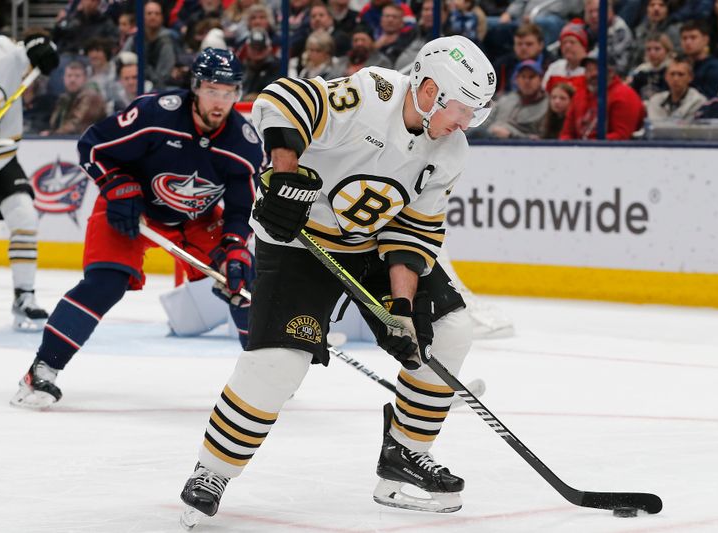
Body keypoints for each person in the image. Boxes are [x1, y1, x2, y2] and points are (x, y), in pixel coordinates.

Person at [178, 35, 496, 528]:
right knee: (279, 363)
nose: (466, 123)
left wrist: (403, 311)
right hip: (298, 242)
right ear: (430, 90)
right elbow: (280, 100)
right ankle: (212, 471)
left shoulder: (451, 151)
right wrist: (285, 176)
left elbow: (413, 234)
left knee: (450, 329)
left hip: (372, 249)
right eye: (463, 109)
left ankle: (404, 457)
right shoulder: (371, 96)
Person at [10, 48, 263, 409]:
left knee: (241, 280)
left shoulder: (244, 144)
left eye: (228, 92)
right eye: (211, 90)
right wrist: (118, 187)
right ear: (195, 87)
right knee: (105, 283)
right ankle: (42, 370)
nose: (220, 101)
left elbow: (241, 207)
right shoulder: (155, 114)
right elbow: (92, 147)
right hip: (132, 210)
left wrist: (236, 245)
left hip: (195, 219)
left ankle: (262, 378)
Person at [0, 12, 59, 331]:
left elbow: (38, 47)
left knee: (24, 216)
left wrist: (43, 50)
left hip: (1, 158)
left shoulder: (3, 51)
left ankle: (25, 296)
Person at [560, 51, 645, 140]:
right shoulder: (579, 96)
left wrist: (587, 146)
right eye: (588, 70)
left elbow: (621, 136)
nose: (592, 74)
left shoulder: (624, 95)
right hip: (580, 150)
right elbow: (566, 133)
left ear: (611, 72)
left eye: (597, 69)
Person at [474, 59, 548, 139]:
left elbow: (541, 138)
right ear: (516, 79)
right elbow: (486, 122)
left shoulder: (547, 105)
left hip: (517, 146)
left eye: (531, 77)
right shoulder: (505, 99)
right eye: (523, 76)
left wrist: (511, 135)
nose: (526, 81)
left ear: (540, 79)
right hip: (488, 139)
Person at [45, 60, 107, 134]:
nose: (72, 80)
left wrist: (53, 134)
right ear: (63, 78)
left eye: (77, 76)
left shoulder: (92, 96)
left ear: (85, 79)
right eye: (69, 75)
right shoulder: (64, 98)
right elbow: (54, 124)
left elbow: (77, 125)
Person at [494, 22, 552, 95]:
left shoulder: (551, 66)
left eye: (529, 44)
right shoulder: (502, 64)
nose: (523, 48)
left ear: (541, 45)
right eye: (519, 44)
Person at [646, 55, 707, 120]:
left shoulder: (699, 101)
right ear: (666, 77)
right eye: (672, 74)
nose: (676, 79)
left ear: (690, 78)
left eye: (681, 74)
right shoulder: (656, 100)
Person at [679, 19, 718, 98]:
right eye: (684, 38)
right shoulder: (679, 64)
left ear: (705, 40)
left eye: (693, 38)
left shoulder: (715, 66)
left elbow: (709, 97)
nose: (688, 42)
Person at [542, 19, 587, 93]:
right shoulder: (555, 67)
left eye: (572, 42)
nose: (567, 46)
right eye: (564, 43)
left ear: (583, 46)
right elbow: (544, 93)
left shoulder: (590, 69)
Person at [629, 32, 673, 101]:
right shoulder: (641, 71)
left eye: (657, 49)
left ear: (667, 51)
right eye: (648, 49)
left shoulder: (673, 71)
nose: (652, 53)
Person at [241, 29, 282, 100]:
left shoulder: (277, 67)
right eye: (254, 48)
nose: (257, 51)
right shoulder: (243, 66)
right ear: (247, 47)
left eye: (261, 48)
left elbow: (276, 94)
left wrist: (257, 96)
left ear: (269, 48)